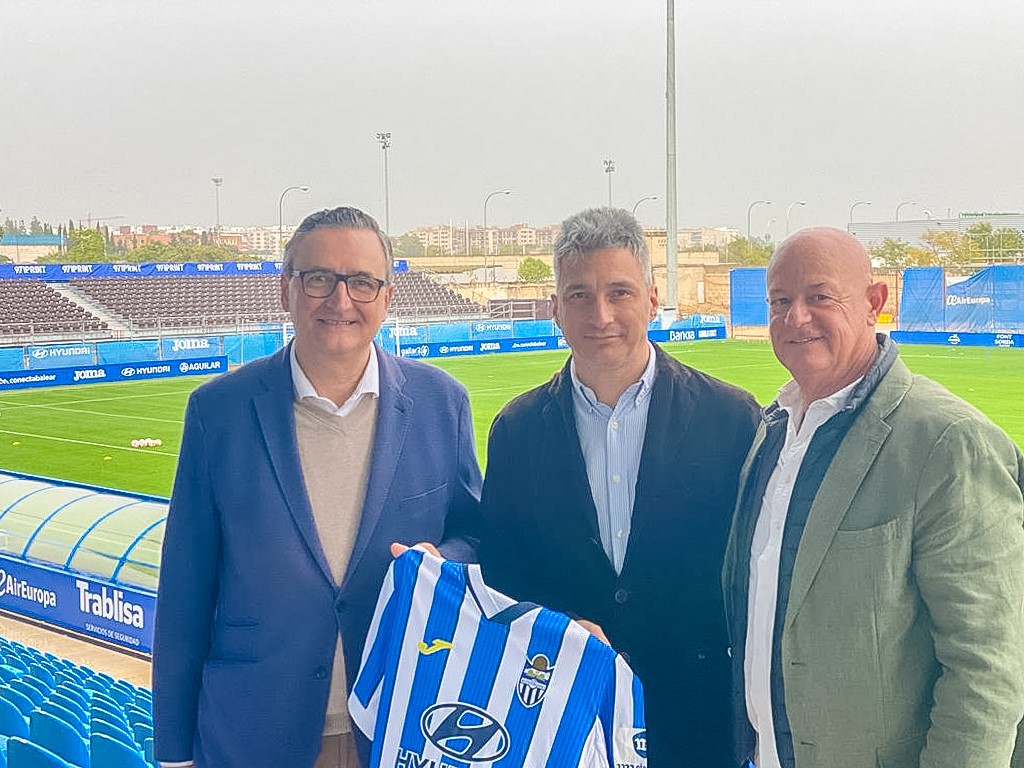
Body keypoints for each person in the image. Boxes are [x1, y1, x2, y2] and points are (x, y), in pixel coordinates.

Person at [153, 206, 482, 768]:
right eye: (318, 278)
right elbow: (185, 588)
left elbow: (476, 537)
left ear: (387, 296)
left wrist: (441, 559)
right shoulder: (218, 411)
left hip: (401, 721)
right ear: (286, 289)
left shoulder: (441, 402)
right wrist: (174, 752)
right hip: (255, 731)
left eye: (361, 282)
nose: (340, 300)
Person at [722, 227, 1024, 768]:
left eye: (819, 296)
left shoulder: (946, 442)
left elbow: (987, 669)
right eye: (780, 301)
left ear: (874, 303)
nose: (796, 318)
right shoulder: (774, 433)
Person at [478, 207, 760, 766]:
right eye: (579, 295)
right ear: (555, 309)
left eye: (619, 292)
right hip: (563, 718)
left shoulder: (732, 419)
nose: (600, 314)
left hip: (697, 717)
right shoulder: (517, 429)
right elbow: (502, 576)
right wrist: (557, 631)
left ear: (652, 300)